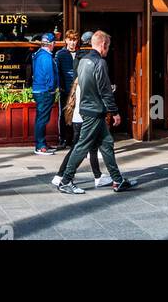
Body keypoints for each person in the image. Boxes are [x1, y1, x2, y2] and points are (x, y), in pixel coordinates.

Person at [56, 30, 137, 194]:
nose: (108, 50)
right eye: (108, 46)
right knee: (82, 146)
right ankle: (65, 181)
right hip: (94, 111)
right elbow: (105, 90)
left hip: (88, 109)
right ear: (103, 45)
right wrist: (114, 112)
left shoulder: (83, 60)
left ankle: (117, 180)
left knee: (106, 144)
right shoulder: (99, 63)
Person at [52, 76, 110, 189]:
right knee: (83, 150)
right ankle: (61, 175)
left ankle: (97, 176)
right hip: (86, 120)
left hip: (78, 120)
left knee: (84, 148)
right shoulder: (88, 83)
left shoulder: (79, 82)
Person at [31, 32, 59, 155]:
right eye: (54, 43)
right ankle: (40, 146)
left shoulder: (38, 54)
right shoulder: (46, 56)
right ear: (51, 44)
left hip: (39, 90)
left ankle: (41, 143)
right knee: (42, 119)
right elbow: (49, 75)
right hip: (45, 91)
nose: (54, 45)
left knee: (40, 118)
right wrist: (52, 89)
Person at [54, 29, 79, 152]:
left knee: (76, 115)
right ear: (66, 40)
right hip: (65, 89)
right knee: (63, 115)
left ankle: (75, 141)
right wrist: (60, 87)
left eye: (74, 40)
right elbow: (57, 72)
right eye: (70, 40)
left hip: (77, 90)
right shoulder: (60, 54)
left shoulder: (81, 54)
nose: (72, 43)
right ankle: (63, 140)